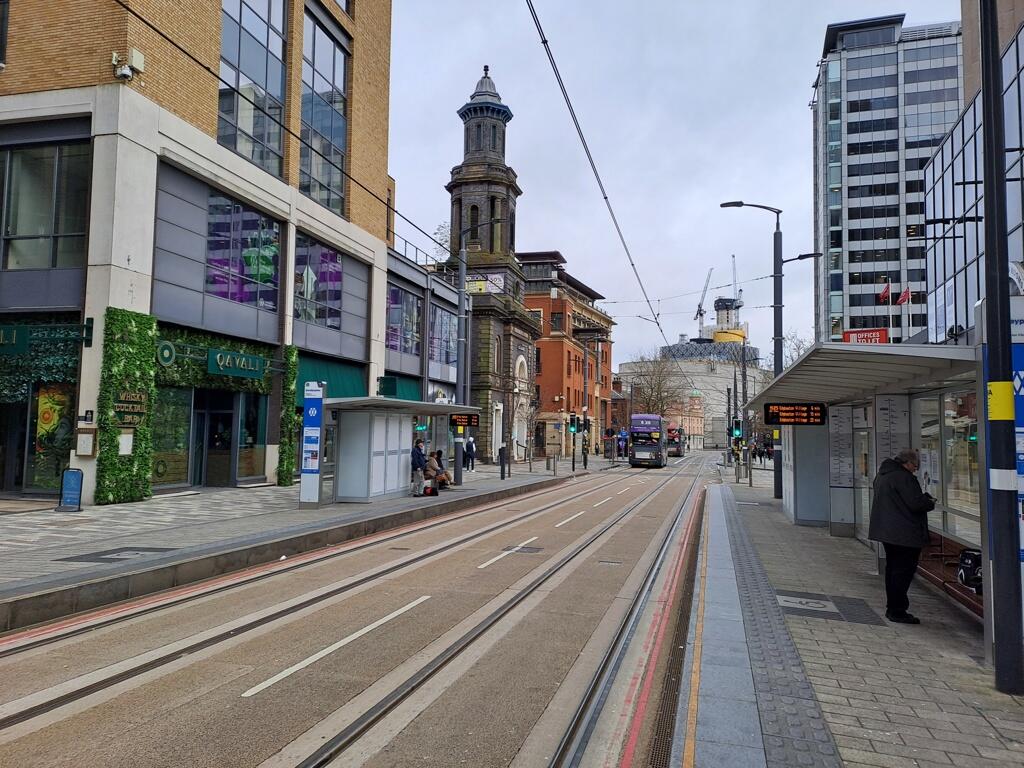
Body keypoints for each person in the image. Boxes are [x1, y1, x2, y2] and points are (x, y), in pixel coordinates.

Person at [868, 448, 935, 624]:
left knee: (892, 569)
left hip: (888, 532)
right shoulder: (904, 478)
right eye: (915, 465)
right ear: (907, 463)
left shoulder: (882, 475)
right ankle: (897, 610)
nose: (916, 469)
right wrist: (928, 502)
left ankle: (893, 606)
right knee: (902, 572)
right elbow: (915, 504)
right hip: (904, 534)